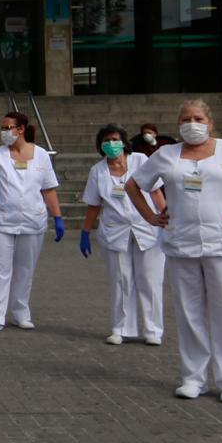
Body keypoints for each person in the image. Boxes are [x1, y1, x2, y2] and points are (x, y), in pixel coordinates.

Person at [126, 99, 222, 403]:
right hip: (181, 242)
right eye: (185, 119)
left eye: (198, 118)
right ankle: (193, 377)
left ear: (209, 123)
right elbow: (135, 185)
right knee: (189, 313)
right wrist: (149, 216)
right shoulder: (166, 154)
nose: (192, 124)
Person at [0, 112, 65, 333]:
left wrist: (57, 216)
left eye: (8, 127)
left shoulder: (41, 156)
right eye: (2, 127)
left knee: (25, 269)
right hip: (0, 220)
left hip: (33, 220)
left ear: (20, 129)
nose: (4, 132)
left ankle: (21, 312)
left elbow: (48, 189)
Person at [80, 124, 166, 346]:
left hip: (148, 227)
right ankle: (121, 328)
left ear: (124, 142)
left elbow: (156, 192)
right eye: (106, 141)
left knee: (150, 279)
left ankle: (153, 330)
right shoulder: (97, 171)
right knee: (121, 279)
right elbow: (93, 205)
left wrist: (167, 218)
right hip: (114, 230)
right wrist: (85, 232)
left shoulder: (140, 161)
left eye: (115, 139)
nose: (111, 144)